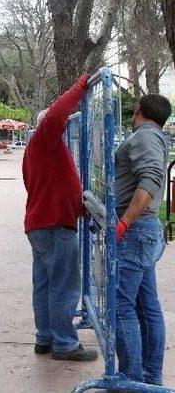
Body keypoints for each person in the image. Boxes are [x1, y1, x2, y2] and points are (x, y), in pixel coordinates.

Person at [22, 73, 98, 361]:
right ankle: (65, 344)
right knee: (64, 286)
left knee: (45, 285)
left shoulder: (39, 149)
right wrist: (79, 85)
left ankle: (45, 338)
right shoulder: (45, 138)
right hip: (54, 226)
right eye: (63, 123)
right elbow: (56, 115)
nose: (65, 125)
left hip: (42, 224)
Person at [114, 94, 171, 385]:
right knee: (146, 304)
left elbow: (149, 181)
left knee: (122, 305)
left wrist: (125, 221)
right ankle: (149, 378)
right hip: (142, 230)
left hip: (136, 231)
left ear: (138, 108)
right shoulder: (153, 137)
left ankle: (131, 379)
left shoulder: (145, 138)